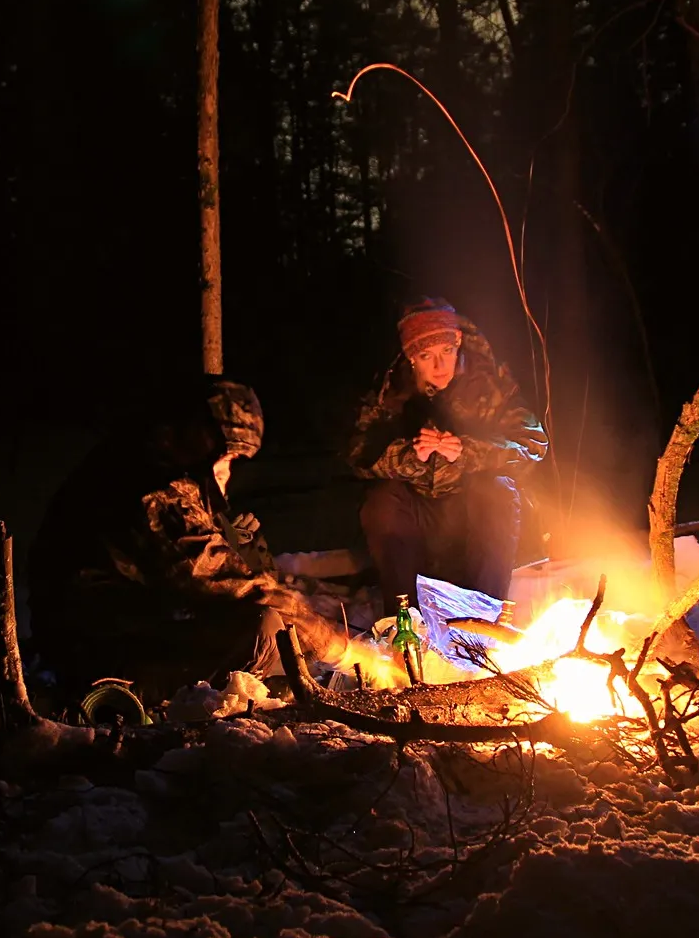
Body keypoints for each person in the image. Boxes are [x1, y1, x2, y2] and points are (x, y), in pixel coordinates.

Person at [27, 377, 348, 708]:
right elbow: (232, 582)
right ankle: (120, 700)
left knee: (271, 632)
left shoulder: (163, 471)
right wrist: (335, 645)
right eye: (228, 457)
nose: (227, 472)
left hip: (131, 625)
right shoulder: (152, 490)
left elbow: (243, 574)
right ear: (200, 439)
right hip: (96, 647)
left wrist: (249, 549)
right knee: (263, 632)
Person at [348, 298, 548, 606]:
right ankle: (407, 619)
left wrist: (468, 452)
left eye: (447, 351)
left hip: (470, 511)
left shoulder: (489, 383)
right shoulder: (390, 392)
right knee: (381, 503)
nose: (440, 366)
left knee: (496, 491)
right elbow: (358, 453)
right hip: (418, 515)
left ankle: (485, 614)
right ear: (411, 358)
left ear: (458, 346)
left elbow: (532, 442)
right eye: (427, 356)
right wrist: (411, 457)